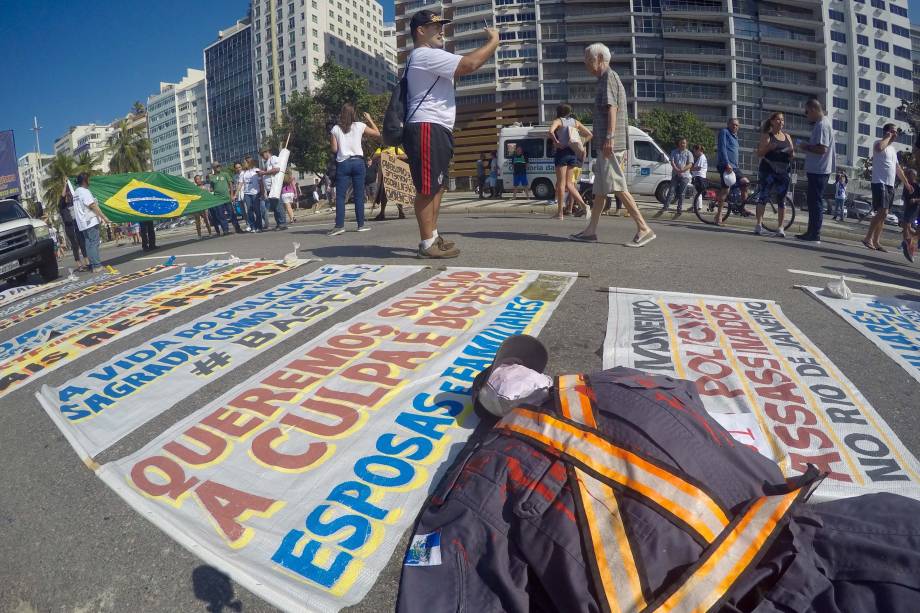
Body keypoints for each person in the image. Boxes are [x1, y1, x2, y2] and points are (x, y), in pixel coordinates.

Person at [397, 334, 920, 613]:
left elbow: (451, 591)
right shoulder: (624, 383)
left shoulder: (477, 478)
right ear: (542, 376)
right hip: (840, 534)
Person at [404, 9, 500, 258]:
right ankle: (427, 243)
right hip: (427, 125)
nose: (441, 30)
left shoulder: (429, 56)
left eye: (441, 26)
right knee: (427, 188)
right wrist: (493, 41)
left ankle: (433, 237)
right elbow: (470, 64)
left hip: (437, 126)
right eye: (435, 26)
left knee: (437, 186)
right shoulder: (424, 55)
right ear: (420, 31)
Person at [571, 43, 655, 247]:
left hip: (611, 145)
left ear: (599, 59)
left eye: (587, 59)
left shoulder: (609, 77)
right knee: (600, 190)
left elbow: (612, 109)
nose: (585, 63)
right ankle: (591, 230)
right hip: (605, 144)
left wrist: (609, 137)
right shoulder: (604, 79)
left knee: (617, 186)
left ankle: (644, 228)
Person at [328, 103, 381, 236]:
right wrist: (369, 119)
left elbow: (334, 149)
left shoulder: (335, 128)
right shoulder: (359, 126)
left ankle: (339, 226)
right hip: (358, 162)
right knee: (359, 194)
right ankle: (360, 224)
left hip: (343, 163)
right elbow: (377, 133)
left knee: (340, 196)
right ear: (354, 113)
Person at [863, 124, 912, 252]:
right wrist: (887, 137)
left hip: (890, 184)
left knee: (884, 215)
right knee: (883, 211)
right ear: (886, 132)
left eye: (896, 132)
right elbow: (879, 148)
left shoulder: (892, 150)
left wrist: (906, 183)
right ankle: (868, 238)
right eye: (893, 132)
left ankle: (876, 241)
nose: (895, 134)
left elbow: (898, 169)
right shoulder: (878, 143)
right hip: (880, 182)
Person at [797, 98, 835, 243]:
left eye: (807, 112)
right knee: (813, 202)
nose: (806, 115)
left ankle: (814, 233)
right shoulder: (821, 124)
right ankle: (811, 231)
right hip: (818, 169)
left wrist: (805, 146)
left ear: (813, 110)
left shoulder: (822, 125)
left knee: (815, 202)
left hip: (819, 170)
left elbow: (822, 149)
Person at [754, 112, 795, 237]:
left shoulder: (787, 136)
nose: (781, 122)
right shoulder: (767, 135)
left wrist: (792, 153)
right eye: (778, 120)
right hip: (768, 170)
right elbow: (759, 153)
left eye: (782, 120)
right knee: (764, 196)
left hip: (783, 172)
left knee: (781, 200)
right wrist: (769, 148)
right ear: (772, 121)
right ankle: (759, 225)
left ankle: (780, 228)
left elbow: (792, 156)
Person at [549, 104, 592, 219]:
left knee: (561, 184)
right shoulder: (575, 122)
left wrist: (557, 142)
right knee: (570, 184)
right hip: (573, 154)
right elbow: (589, 134)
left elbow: (550, 131)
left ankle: (560, 213)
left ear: (558, 111)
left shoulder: (558, 121)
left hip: (561, 153)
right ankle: (584, 205)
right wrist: (580, 143)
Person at [72, 173, 108, 273]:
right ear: (84, 181)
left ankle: (92, 265)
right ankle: (97, 265)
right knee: (94, 243)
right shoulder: (84, 191)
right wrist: (103, 217)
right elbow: (92, 205)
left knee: (88, 244)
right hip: (90, 221)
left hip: (82, 223)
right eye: (88, 179)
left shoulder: (76, 193)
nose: (90, 181)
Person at [714, 118, 747, 227]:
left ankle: (742, 207)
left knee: (745, 183)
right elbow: (722, 148)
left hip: (735, 167)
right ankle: (718, 217)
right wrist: (727, 163)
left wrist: (736, 166)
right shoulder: (724, 132)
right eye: (733, 124)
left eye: (737, 125)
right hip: (725, 165)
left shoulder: (736, 137)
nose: (735, 127)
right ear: (728, 124)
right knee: (725, 190)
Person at [372, 145, 408, 221]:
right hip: (384, 176)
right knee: (383, 194)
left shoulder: (395, 149)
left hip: (395, 175)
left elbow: (405, 156)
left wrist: (397, 156)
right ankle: (382, 213)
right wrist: (383, 154)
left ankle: (401, 212)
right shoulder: (381, 149)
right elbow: (374, 157)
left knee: (398, 194)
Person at [208, 161, 243, 234]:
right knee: (221, 216)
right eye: (217, 166)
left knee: (232, 214)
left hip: (227, 198)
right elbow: (211, 188)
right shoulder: (212, 177)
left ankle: (237, 228)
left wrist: (231, 195)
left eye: (219, 166)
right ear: (213, 168)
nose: (218, 167)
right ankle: (225, 230)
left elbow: (230, 184)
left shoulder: (225, 174)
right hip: (218, 199)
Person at [257, 147, 287, 231]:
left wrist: (264, 173)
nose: (262, 157)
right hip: (270, 187)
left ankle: (282, 223)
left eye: (262, 155)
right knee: (274, 206)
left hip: (275, 186)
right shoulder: (267, 162)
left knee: (278, 205)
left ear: (267, 152)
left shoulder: (273, 158)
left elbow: (277, 169)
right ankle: (279, 223)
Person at [58, 190, 88, 271]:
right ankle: (79, 264)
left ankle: (87, 262)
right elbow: (62, 196)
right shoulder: (62, 207)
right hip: (69, 227)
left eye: (69, 196)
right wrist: (65, 184)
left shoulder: (74, 204)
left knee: (82, 243)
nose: (68, 197)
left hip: (78, 225)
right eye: (67, 196)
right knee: (75, 245)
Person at [664, 137, 692, 213]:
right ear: (679, 143)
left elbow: (690, 164)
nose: (682, 144)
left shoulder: (689, 153)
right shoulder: (674, 151)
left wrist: (682, 170)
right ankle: (666, 206)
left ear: (686, 144)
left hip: (685, 175)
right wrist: (676, 169)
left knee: (682, 193)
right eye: (681, 143)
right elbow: (672, 161)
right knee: (671, 191)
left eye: (684, 143)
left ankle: (679, 208)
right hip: (675, 174)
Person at [900, 168, 920, 262]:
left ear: (914, 176)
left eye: (909, 174)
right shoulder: (906, 185)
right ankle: (908, 244)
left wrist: (915, 200)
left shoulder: (917, 185)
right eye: (907, 174)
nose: (907, 176)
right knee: (906, 226)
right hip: (908, 207)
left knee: (907, 225)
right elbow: (904, 197)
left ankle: (908, 244)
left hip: (914, 208)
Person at [241, 160, 263, 232]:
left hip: (255, 193)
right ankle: (253, 226)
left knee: (257, 210)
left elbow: (261, 182)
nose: (244, 164)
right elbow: (240, 184)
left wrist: (262, 193)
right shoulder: (243, 172)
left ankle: (259, 227)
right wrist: (235, 194)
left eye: (245, 163)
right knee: (249, 211)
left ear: (249, 163)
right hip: (247, 193)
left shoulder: (256, 170)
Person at [690, 144, 708, 211]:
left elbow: (698, 168)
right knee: (696, 192)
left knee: (697, 192)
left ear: (698, 150)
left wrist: (690, 169)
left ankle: (698, 207)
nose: (694, 153)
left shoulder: (702, 157)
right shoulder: (701, 157)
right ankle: (694, 206)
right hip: (698, 176)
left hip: (699, 177)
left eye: (695, 151)